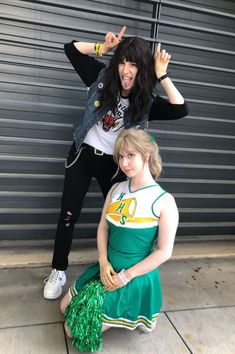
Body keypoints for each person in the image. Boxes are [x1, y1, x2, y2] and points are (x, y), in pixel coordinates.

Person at [43, 26, 188, 300]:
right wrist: (102, 47)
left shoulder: (146, 101)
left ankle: (111, 271)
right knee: (67, 215)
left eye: (133, 64)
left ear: (142, 69)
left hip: (116, 165)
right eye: (122, 61)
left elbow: (181, 108)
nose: (126, 70)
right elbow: (70, 48)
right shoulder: (100, 78)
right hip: (82, 156)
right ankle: (58, 270)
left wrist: (162, 75)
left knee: (117, 221)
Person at [60, 128, 179, 352]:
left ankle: (143, 311)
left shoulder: (164, 200)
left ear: (147, 155)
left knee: (72, 329)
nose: (124, 163)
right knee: (64, 307)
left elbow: (164, 251)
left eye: (130, 155)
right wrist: (103, 261)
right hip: (107, 267)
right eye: (121, 157)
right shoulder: (116, 189)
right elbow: (103, 227)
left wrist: (127, 276)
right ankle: (130, 314)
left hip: (135, 276)